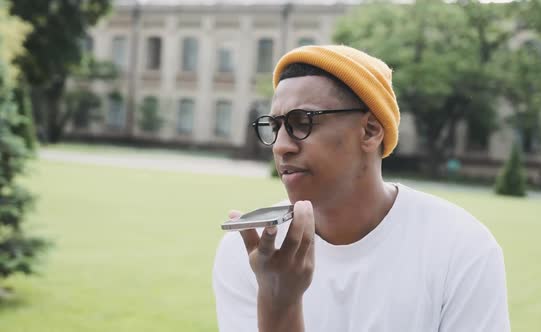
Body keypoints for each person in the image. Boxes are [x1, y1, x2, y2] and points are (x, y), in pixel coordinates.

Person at [213, 45, 510, 332]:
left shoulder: (461, 249)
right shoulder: (252, 253)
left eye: (301, 122)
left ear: (369, 130)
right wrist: (278, 301)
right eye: (275, 127)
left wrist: (281, 301)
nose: (280, 146)